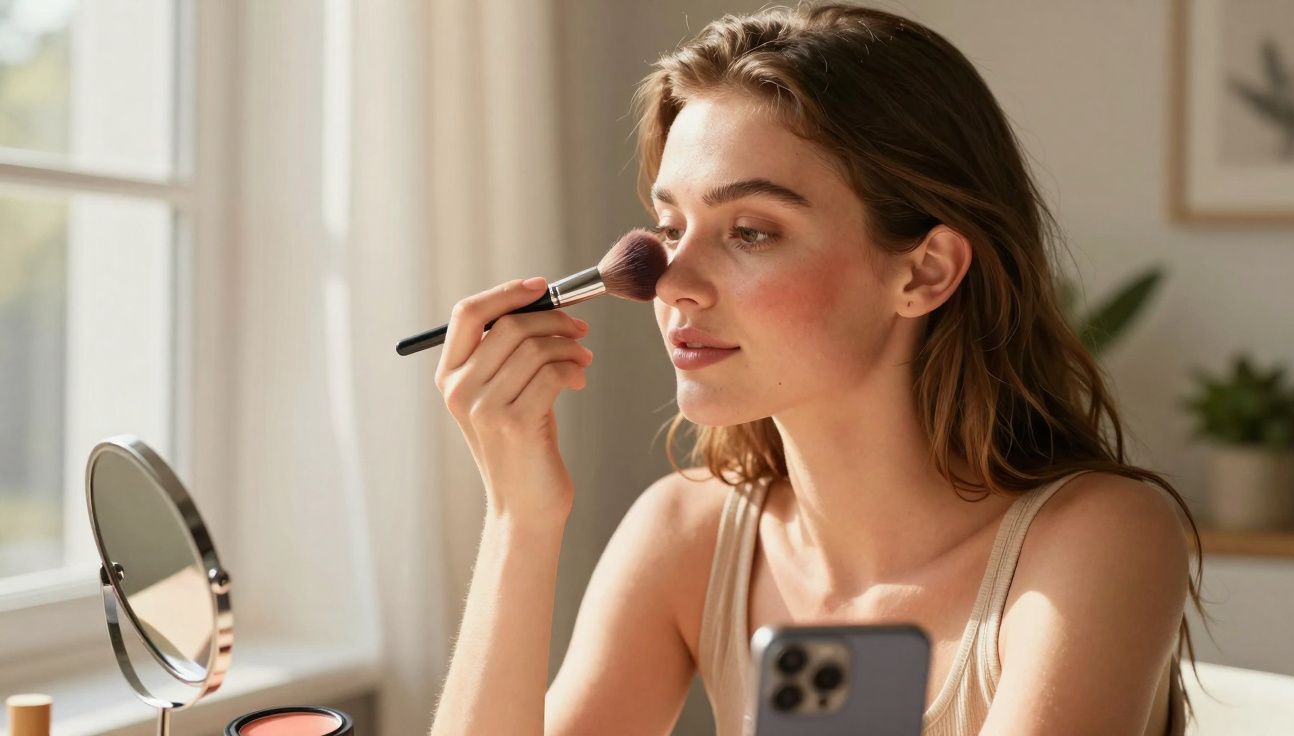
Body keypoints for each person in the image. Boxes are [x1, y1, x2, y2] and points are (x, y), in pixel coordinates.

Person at [429, 2, 1205, 734]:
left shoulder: (1098, 539)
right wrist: (519, 519)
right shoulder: (687, 535)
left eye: (751, 231)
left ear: (925, 272)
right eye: (669, 227)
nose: (673, 282)